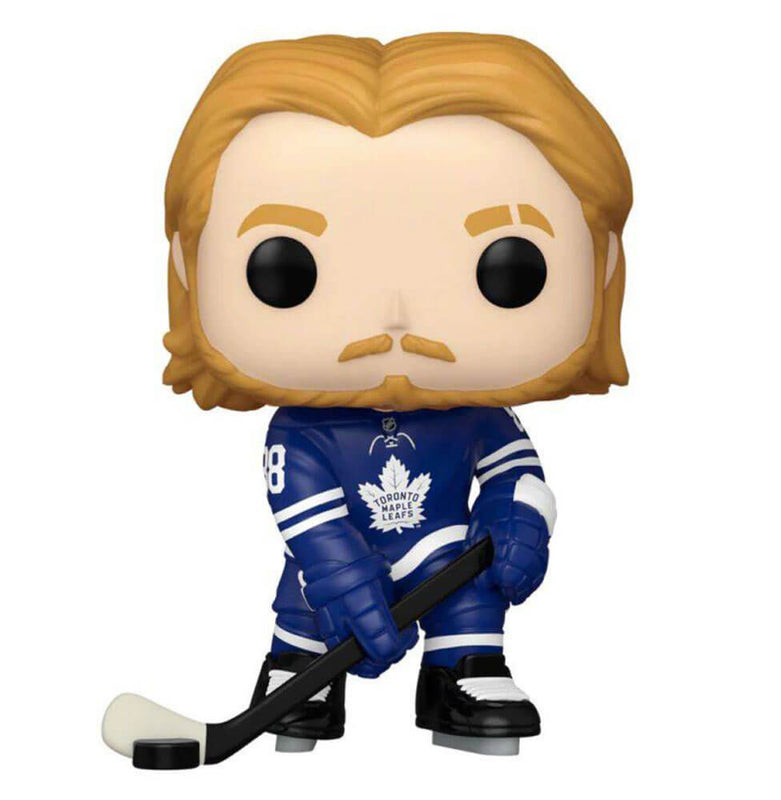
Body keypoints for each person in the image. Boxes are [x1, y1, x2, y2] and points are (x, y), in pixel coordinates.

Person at [162, 33, 632, 754]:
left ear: (603, 266)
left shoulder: (478, 418)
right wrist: (342, 576)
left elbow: (517, 472)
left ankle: (463, 668)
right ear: (187, 269)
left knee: (470, 588)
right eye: (285, 269)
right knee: (309, 599)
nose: (395, 318)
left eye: (508, 267)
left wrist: (516, 518)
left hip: (443, 554)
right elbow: (308, 518)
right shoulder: (302, 433)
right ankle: (300, 672)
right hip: (336, 563)